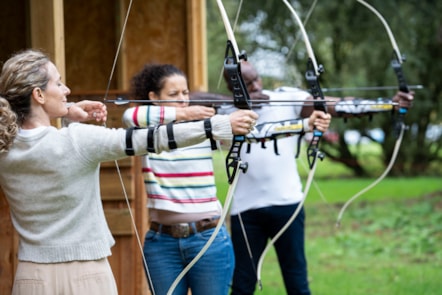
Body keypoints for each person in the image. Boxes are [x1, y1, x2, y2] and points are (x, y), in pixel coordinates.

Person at [0, 49, 258, 295]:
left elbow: (41, 144)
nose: (67, 90)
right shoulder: (77, 140)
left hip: (30, 276)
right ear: (39, 95)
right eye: (58, 83)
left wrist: (66, 114)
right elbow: (152, 138)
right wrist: (216, 125)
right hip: (85, 275)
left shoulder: (5, 149)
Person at [196, 60, 413, 295]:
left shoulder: (285, 99)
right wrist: (234, 104)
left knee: (297, 282)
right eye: (247, 84)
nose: (257, 86)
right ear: (232, 87)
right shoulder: (227, 113)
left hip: (287, 206)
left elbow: (334, 106)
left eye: (257, 79)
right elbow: (190, 100)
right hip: (245, 211)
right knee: (242, 284)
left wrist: (389, 104)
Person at [122, 63, 330, 295]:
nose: (183, 100)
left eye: (186, 93)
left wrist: (305, 125)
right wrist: (185, 114)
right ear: (153, 97)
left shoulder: (206, 128)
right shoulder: (145, 134)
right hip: (162, 243)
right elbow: (129, 114)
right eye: (173, 94)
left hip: (208, 239)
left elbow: (259, 132)